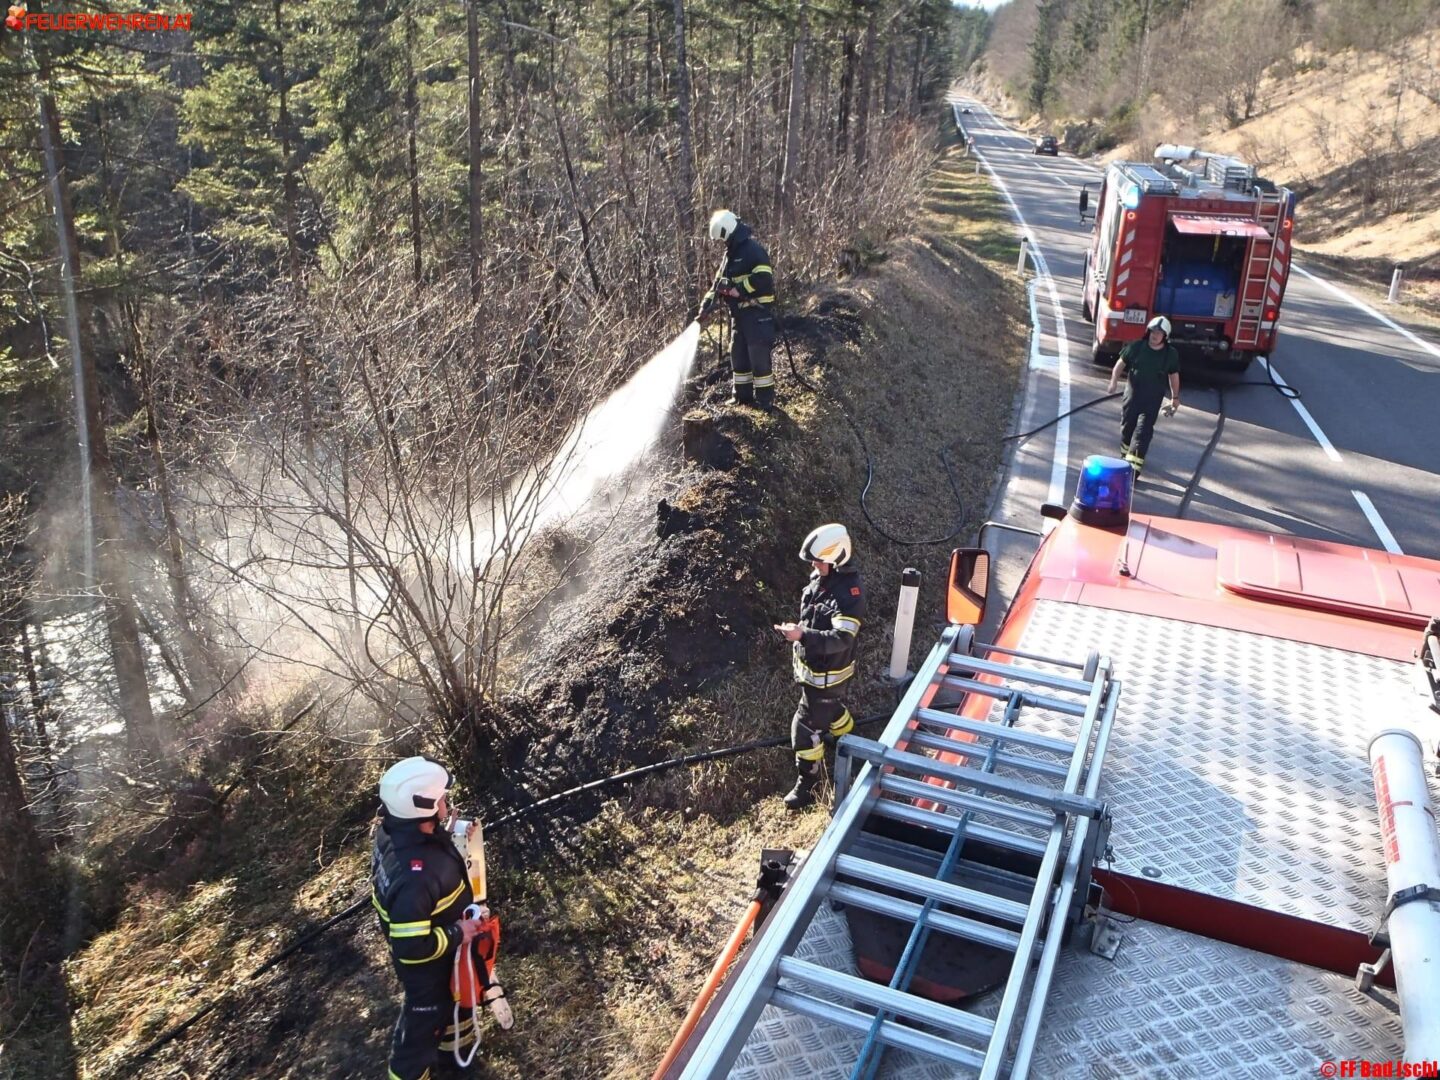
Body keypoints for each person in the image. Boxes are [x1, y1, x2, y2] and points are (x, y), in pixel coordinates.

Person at [372, 756, 511, 1080]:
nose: (447, 804)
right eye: (441, 801)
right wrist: (457, 932)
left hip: (443, 955)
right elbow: (411, 946)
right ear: (421, 808)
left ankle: (452, 1059)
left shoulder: (396, 831)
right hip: (426, 968)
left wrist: (448, 830)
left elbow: (426, 856)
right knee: (420, 1032)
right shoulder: (415, 878)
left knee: (456, 998)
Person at [774, 523, 865, 810]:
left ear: (836, 558)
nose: (813, 565)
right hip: (817, 676)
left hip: (827, 678)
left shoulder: (849, 595)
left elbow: (841, 638)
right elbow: (814, 616)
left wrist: (802, 635)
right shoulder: (821, 580)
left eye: (818, 560)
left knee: (804, 727)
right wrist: (799, 630)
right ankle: (852, 744)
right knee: (834, 711)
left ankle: (808, 785)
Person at [699, 208, 777, 408]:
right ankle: (742, 396)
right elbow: (717, 285)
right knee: (738, 355)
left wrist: (739, 289)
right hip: (739, 316)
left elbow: (764, 278)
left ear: (729, 231)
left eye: (723, 239)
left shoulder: (753, 250)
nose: (722, 244)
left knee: (758, 357)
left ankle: (765, 400)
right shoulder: (730, 256)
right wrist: (706, 306)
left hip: (757, 314)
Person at [1107, 315, 1181, 477]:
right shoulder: (1137, 347)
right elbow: (1120, 364)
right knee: (1128, 428)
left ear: (1165, 336)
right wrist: (1113, 382)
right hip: (1132, 396)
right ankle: (1125, 455)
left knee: (1143, 431)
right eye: (1153, 331)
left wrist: (1175, 398)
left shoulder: (1170, 354)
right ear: (1148, 332)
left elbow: (1173, 376)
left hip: (1152, 400)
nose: (1155, 335)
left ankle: (1134, 469)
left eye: (1159, 333)